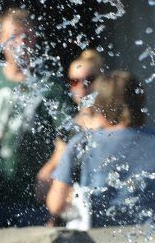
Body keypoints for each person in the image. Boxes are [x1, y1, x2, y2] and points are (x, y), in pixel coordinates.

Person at [46, 71, 155, 228]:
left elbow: (56, 205)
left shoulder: (82, 143)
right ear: (141, 103)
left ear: (99, 106)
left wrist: (75, 205)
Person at [0, 8, 70, 228]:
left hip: (30, 196)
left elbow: (66, 140)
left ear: (35, 40)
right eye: (13, 36)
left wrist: (49, 170)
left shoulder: (50, 86)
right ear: (0, 40)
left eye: (27, 36)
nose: (21, 43)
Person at [36, 48, 104, 209]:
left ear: (100, 81)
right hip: (77, 208)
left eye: (88, 80)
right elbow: (58, 158)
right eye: (74, 81)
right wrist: (43, 176)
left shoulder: (111, 123)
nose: (81, 87)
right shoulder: (70, 125)